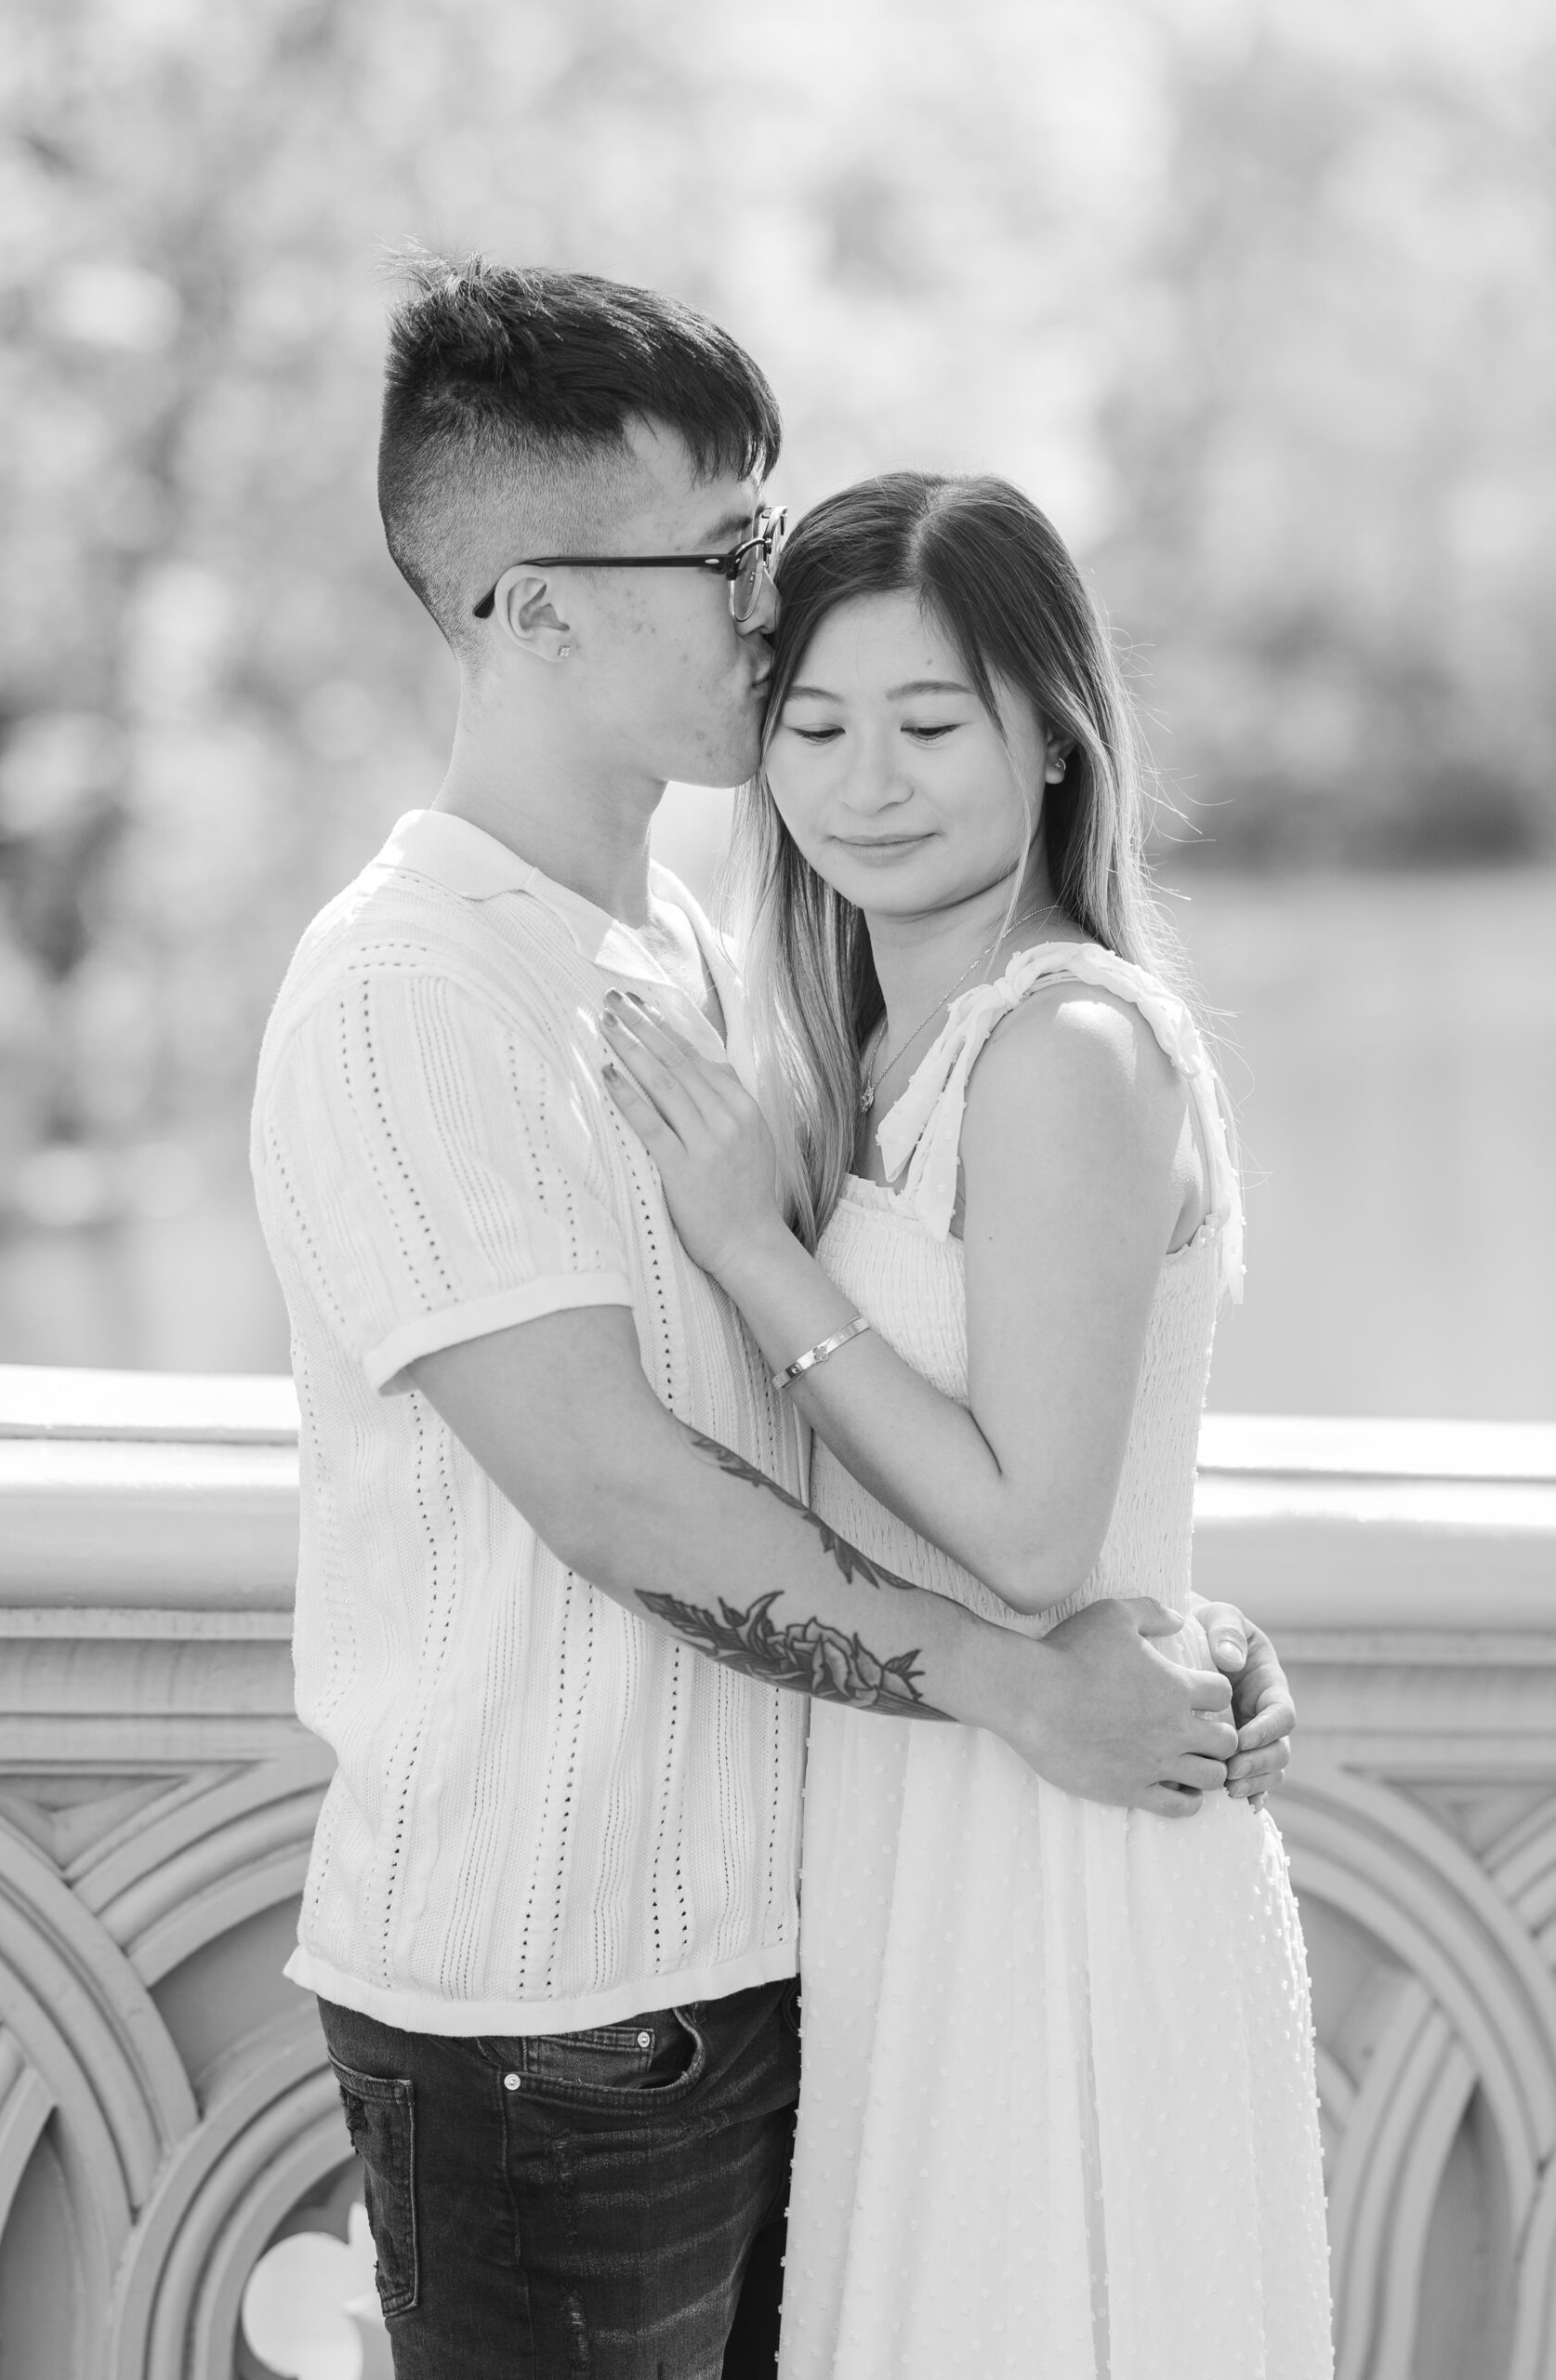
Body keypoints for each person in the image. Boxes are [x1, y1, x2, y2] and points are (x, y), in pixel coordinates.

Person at [250, 259, 1296, 2380]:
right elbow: (623, 1495)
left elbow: (938, 1402)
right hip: (559, 2014)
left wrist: (1148, 1605)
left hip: (811, 1946)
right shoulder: (404, 995)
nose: (766, 599)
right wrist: (1030, 1676)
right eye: (721, 551)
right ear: (531, 607)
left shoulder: (706, 963)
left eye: (763, 530)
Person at [601, 472, 1333, 2378]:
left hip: (1062, 1848)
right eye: (815, 727)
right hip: (911, 1840)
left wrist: (760, 1257)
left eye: (929, 725)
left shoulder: (1062, 1049)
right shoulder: (861, 1053)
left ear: (1052, 741)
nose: (865, 781)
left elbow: (1027, 1538)